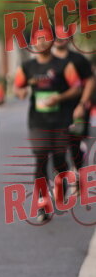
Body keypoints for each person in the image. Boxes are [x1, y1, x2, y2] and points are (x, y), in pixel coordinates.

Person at [13, 30, 82, 223]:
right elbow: (18, 87)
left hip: (60, 121)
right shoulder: (27, 67)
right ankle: (42, 203)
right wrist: (21, 91)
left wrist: (59, 98)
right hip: (38, 122)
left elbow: (77, 87)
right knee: (41, 160)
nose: (42, 42)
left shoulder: (64, 65)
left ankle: (62, 182)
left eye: (46, 38)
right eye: (38, 39)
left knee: (59, 159)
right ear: (33, 42)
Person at [52, 34, 95, 190]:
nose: (59, 39)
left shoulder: (78, 60)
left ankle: (77, 171)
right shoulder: (47, 60)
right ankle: (60, 179)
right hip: (53, 112)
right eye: (56, 36)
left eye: (63, 36)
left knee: (74, 143)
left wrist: (82, 104)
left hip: (76, 110)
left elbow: (90, 80)